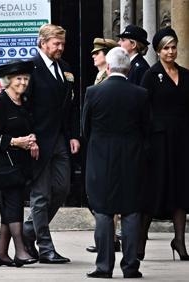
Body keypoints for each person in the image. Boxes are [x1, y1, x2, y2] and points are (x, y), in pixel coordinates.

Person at [83, 47, 149, 279]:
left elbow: (86, 128)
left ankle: (104, 266)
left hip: (101, 159)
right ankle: (131, 266)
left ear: (108, 67)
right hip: (132, 159)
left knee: (103, 212)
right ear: (129, 68)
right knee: (131, 212)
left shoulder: (93, 92)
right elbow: (146, 129)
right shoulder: (140, 94)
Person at [22, 23, 80, 264]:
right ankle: (45, 248)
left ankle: (27, 231)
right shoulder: (30, 69)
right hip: (38, 140)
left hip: (60, 139)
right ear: (43, 43)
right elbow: (23, 107)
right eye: (56, 43)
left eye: (62, 43)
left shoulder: (65, 69)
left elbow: (70, 107)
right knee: (41, 195)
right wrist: (29, 138)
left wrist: (74, 135)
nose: (60, 48)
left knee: (61, 189)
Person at [138, 27, 189, 261]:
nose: (171, 52)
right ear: (158, 51)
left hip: (182, 139)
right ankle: (140, 240)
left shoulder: (187, 75)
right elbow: (143, 109)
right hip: (159, 140)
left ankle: (179, 240)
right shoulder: (151, 75)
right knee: (155, 188)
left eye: (173, 47)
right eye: (166, 48)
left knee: (181, 189)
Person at [0, 60, 39, 268]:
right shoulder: (0, 102)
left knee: (9, 206)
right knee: (13, 204)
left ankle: (1, 254)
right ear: (8, 81)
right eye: (18, 79)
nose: (23, 82)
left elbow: (26, 126)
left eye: (25, 78)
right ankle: (20, 250)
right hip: (3, 164)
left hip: (19, 164)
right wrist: (16, 142)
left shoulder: (23, 102)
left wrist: (31, 137)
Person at [86, 37, 121, 254]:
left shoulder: (108, 77)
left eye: (97, 53)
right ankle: (109, 237)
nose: (93, 56)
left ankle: (111, 238)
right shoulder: (99, 76)